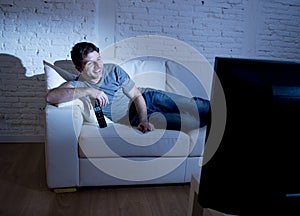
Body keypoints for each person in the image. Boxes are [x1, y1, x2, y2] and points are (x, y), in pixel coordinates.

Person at [46, 42, 210, 133]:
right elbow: (51, 97)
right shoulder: (78, 85)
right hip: (132, 118)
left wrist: (144, 118)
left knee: (198, 106)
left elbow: (137, 96)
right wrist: (89, 91)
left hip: (147, 98)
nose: (98, 66)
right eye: (90, 63)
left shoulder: (113, 70)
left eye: (99, 59)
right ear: (79, 68)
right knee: (189, 122)